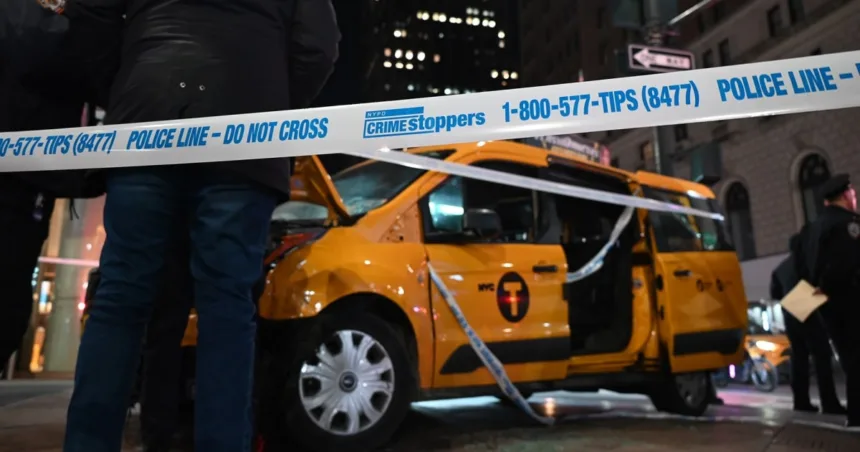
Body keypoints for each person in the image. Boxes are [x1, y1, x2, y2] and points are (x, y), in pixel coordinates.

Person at [58, 1, 339, 451]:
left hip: (145, 119)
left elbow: (91, 17)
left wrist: (129, 87)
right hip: (244, 135)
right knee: (227, 309)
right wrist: (263, 102)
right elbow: (318, 47)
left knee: (120, 300)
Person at [0, 0, 103, 374]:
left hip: (29, 175)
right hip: (20, 176)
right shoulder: (35, 19)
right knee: (8, 295)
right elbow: (53, 55)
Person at [795, 173, 860, 427]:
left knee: (847, 356)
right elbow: (846, 263)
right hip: (850, 297)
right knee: (857, 357)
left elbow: (800, 268)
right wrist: (830, 286)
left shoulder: (811, 228)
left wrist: (817, 291)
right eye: (853, 195)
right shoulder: (848, 223)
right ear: (845, 196)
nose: (854, 199)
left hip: (823, 302)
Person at [772, 234, 844, 414]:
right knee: (822, 356)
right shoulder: (808, 263)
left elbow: (775, 292)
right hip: (808, 312)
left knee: (799, 358)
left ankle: (801, 401)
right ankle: (829, 402)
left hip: (790, 314)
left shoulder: (781, 268)